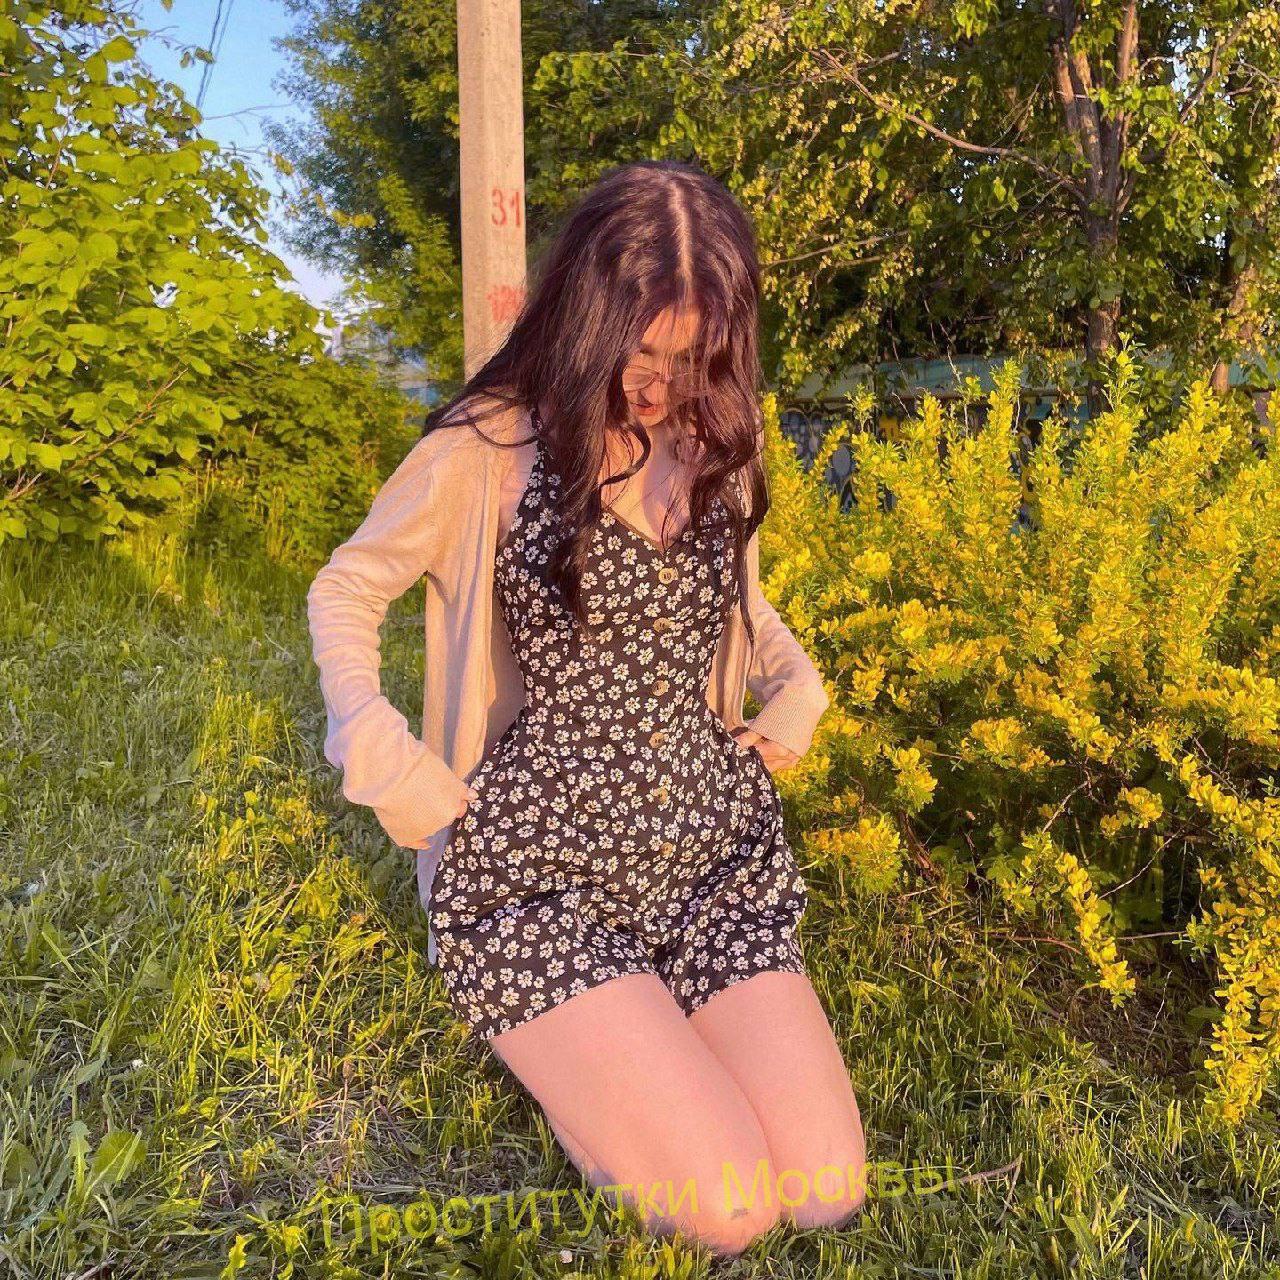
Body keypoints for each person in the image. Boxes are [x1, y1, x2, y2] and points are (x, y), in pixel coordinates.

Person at [306, 159, 866, 1257]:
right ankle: (588, 1081)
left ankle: (640, 1036)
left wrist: (798, 687)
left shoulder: (717, 436)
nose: (659, 386)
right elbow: (348, 586)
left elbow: (738, 602)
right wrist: (374, 742)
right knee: (731, 1210)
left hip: (708, 851)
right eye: (641, 352)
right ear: (585, 314)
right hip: (540, 874)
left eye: (691, 356)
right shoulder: (492, 447)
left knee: (822, 1187)